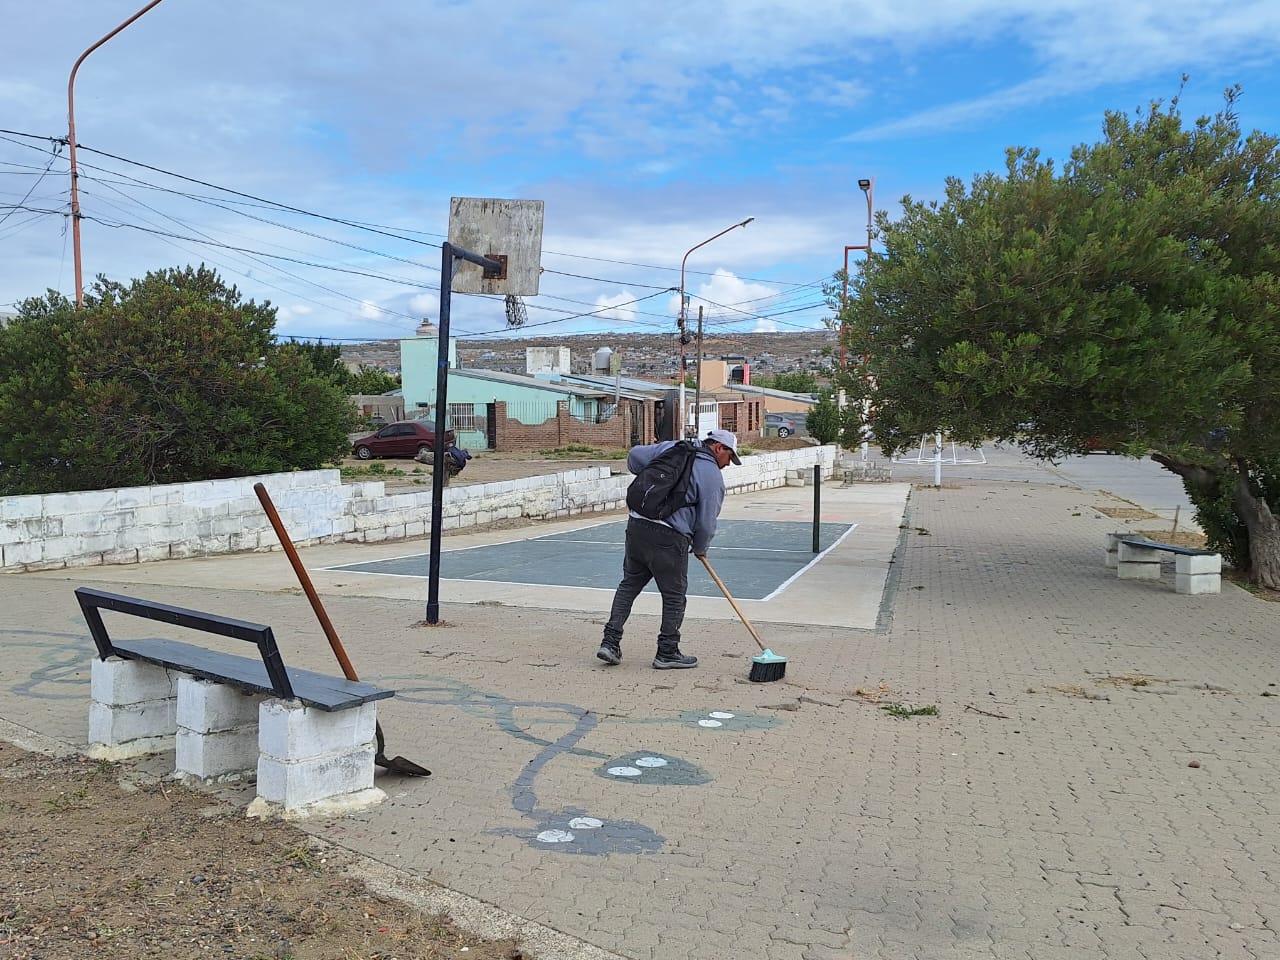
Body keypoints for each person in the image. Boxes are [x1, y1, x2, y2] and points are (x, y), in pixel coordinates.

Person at [597, 428, 741, 670]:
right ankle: (667, 652)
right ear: (718, 448)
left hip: (637, 526)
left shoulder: (674, 448)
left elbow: (634, 457)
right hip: (669, 537)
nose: (729, 463)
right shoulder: (712, 477)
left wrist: (655, 480)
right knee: (674, 597)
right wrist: (700, 547)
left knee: (629, 585)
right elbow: (706, 522)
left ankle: (610, 643)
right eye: (730, 457)